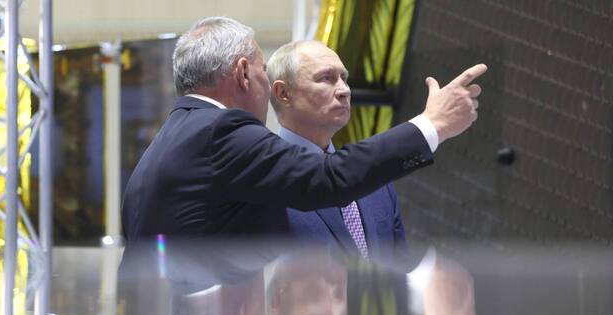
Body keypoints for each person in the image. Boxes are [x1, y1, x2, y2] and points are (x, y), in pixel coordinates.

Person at [121, 16, 485, 243]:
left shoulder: (172, 138)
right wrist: (432, 124)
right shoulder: (222, 131)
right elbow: (329, 178)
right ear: (245, 73)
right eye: (264, 70)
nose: (343, 90)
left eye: (344, 79)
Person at [267, 40, 410, 266]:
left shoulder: (377, 182)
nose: (344, 90)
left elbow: (401, 271)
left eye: (344, 78)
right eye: (326, 78)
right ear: (283, 93)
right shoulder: (262, 182)